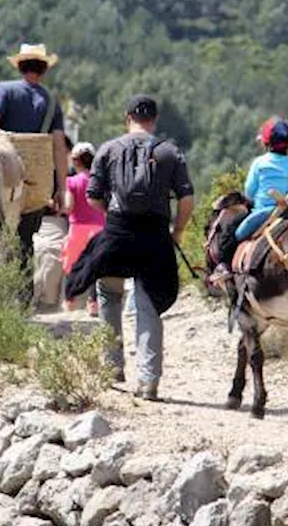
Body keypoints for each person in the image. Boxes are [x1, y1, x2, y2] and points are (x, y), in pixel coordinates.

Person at [63, 95, 195, 401]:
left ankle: (112, 367)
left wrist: (111, 215)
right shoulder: (169, 152)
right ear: (155, 120)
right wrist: (177, 231)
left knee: (109, 294)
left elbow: (94, 197)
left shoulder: (108, 149)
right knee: (148, 305)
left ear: (128, 118)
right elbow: (187, 199)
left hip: (118, 232)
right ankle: (148, 381)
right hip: (155, 235)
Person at [0, 44, 71, 301]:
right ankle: (22, 300)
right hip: (36, 182)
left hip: (4, 177)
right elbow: (59, 146)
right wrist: (61, 187)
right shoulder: (52, 102)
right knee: (25, 242)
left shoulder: (4, 90)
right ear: (43, 70)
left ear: (20, 66)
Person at [215, 117, 288, 277]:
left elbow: (249, 191)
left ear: (266, 143)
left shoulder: (259, 163)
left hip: (264, 213)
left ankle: (225, 267)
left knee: (235, 234)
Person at [61, 141, 104, 316]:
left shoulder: (71, 181)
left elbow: (69, 206)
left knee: (72, 265)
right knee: (94, 266)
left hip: (78, 228)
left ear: (75, 161)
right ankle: (93, 303)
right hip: (99, 228)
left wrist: (55, 205)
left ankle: (69, 301)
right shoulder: (100, 181)